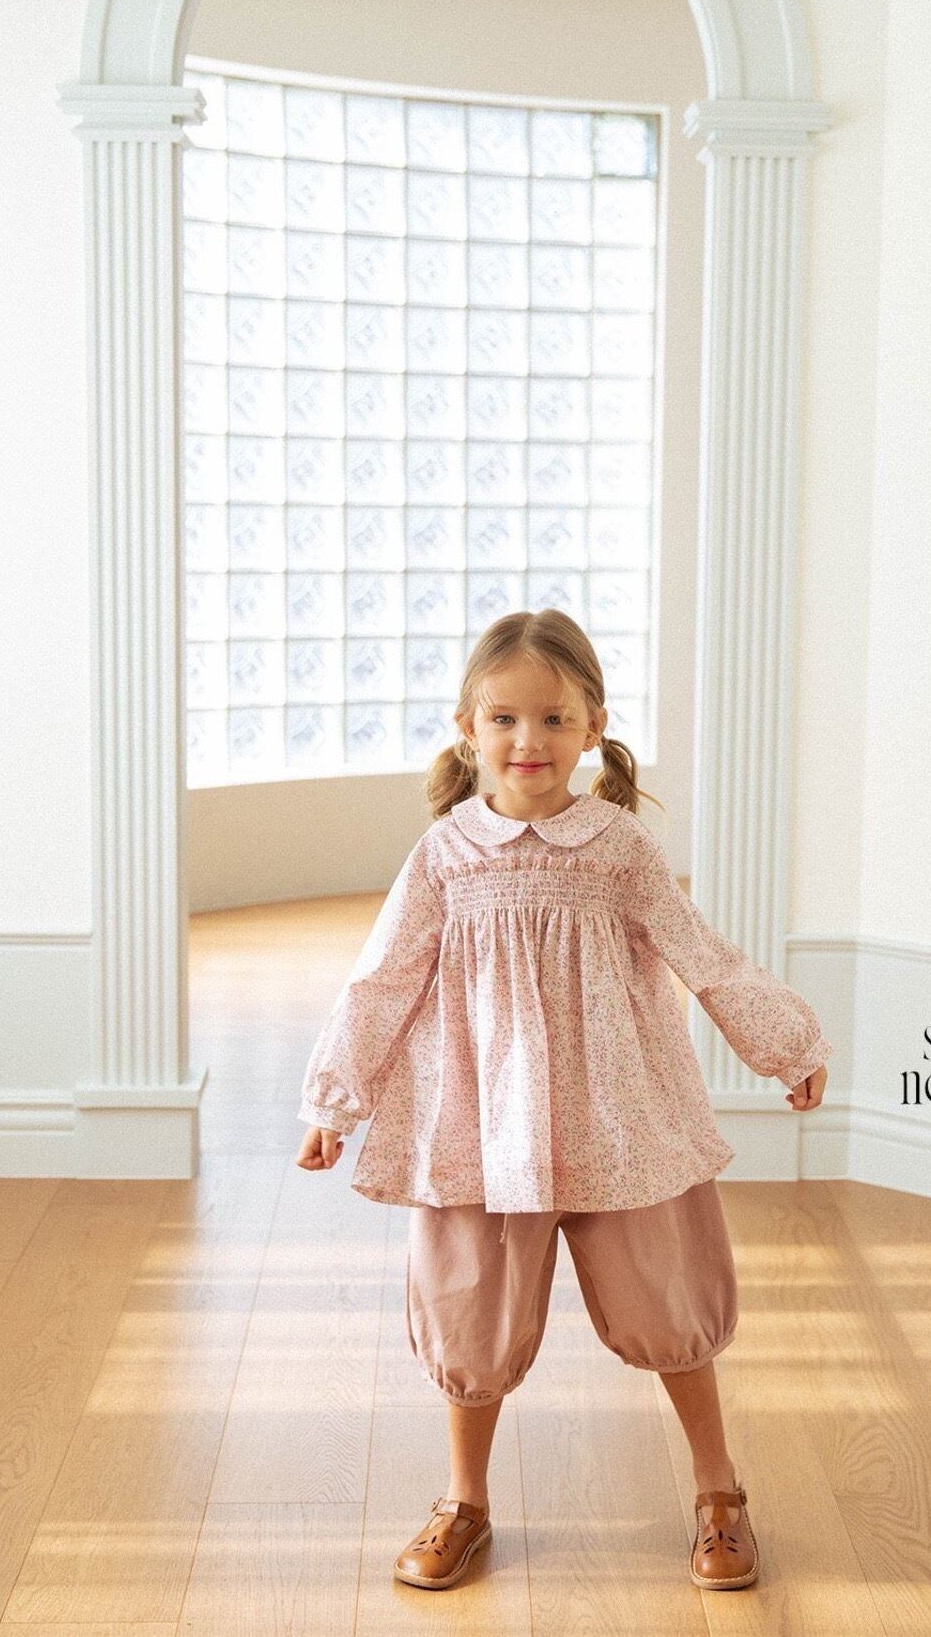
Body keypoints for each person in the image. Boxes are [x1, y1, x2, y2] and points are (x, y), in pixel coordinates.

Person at [295, 608, 832, 1592]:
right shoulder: (445, 855)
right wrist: (335, 1100)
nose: (527, 740)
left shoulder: (618, 847)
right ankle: (464, 1500)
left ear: (593, 725)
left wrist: (781, 1041)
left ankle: (718, 1490)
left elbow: (700, 953)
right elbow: (382, 980)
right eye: (503, 718)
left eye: (553, 718)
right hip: (482, 1128)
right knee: (472, 1315)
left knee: (668, 1302)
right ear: (468, 726)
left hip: (619, 1117)